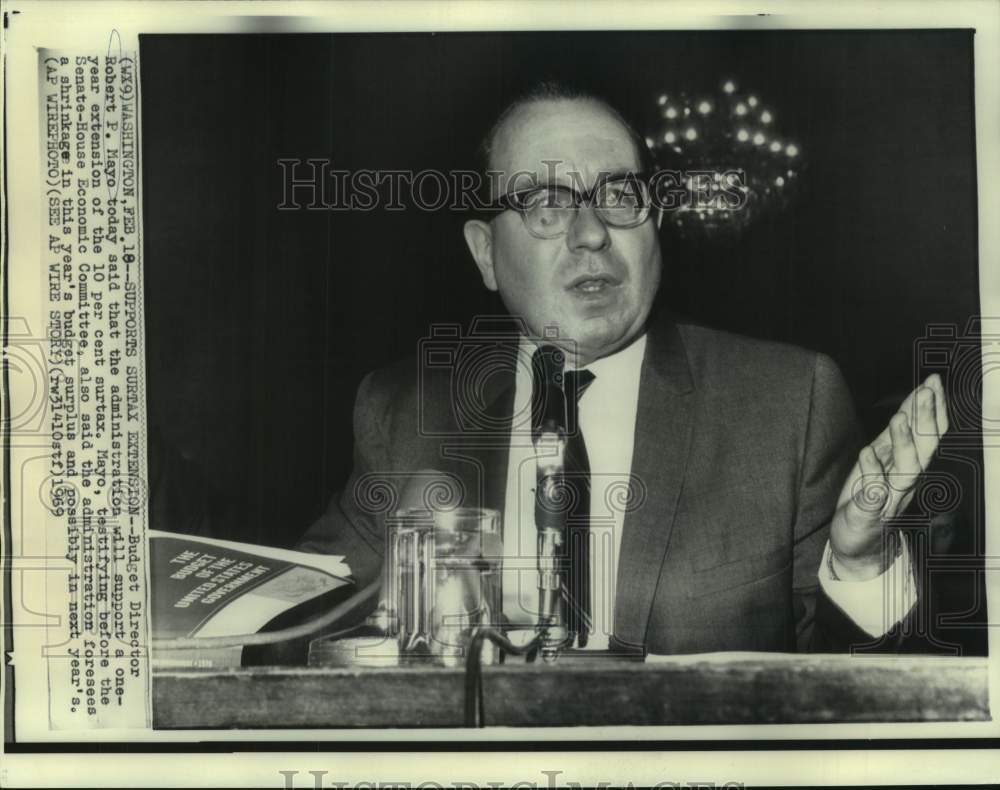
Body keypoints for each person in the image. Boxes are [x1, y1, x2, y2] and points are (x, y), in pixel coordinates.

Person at [297, 82, 949, 655]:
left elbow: (852, 700)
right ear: (486, 253)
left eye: (619, 193)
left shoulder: (788, 403)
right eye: (548, 204)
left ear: (655, 221)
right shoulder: (407, 410)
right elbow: (297, 620)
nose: (591, 233)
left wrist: (864, 569)